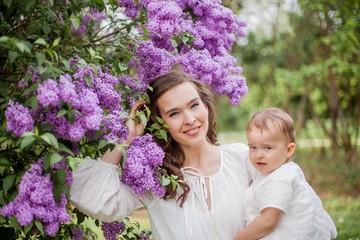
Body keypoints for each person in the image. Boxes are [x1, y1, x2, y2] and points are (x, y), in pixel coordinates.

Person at [70, 71, 257, 240]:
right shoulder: (156, 180)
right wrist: (127, 137)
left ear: (206, 107)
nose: (190, 119)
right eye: (174, 113)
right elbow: (93, 199)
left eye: (194, 105)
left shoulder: (242, 158)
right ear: (160, 124)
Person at [235, 108, 337, 240]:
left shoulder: (280, 178)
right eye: (253, 147)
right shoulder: (280, 171)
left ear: (289, 150)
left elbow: (268, 221)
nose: (258, 155)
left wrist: (240, 237)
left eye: (267, 148)